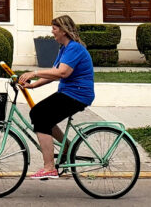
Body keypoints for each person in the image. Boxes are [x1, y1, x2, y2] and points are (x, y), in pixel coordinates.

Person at [18, 14, 95, 180]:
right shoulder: (64, 49)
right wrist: (33, 84)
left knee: (40, 115)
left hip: (78, 94)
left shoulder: (73, 48)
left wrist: (34, 72)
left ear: (64, 31)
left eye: (54, 29)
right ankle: (67, 147)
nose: (52, 32)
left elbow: (62, 72)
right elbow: (55, 74)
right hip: (69, 92)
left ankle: (49, 167)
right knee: (39, 114)